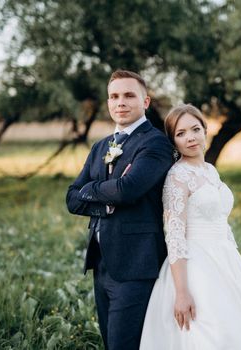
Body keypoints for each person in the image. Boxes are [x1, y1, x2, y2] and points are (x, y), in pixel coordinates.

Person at [140, 104, 241, 349]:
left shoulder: (210, 171)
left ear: (205, 130)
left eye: (195, 129)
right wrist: (182, 293)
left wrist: (233, 259)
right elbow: (175, 236)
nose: (190, 137)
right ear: (173, 141)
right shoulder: (177, 177)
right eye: (181, 134)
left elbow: (221, 222)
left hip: (225, 259)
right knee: (211, 333)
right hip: (194, 266)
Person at [66, 70, 173, 350]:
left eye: (128, 95)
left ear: (145, 102)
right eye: (114, 96)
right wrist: (109, 194)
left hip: (136, 264)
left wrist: (94, 190)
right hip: (101, 264)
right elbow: (72, 198)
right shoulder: (101, 145)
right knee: (109, 342)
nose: (120, 102)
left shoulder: (156, 143)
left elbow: (130, 189)